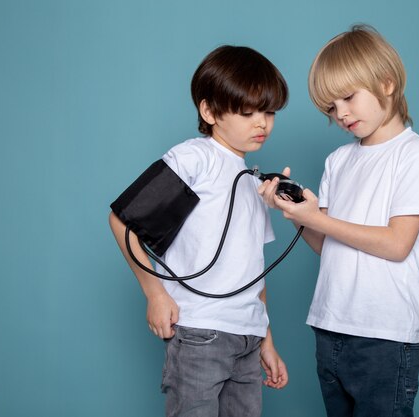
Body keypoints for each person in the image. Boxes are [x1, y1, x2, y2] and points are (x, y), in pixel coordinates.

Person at [259, 25, 419, 417]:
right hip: (331, 325)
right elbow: (328, 246)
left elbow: (397, 244)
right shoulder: (338, 161)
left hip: (385, 335)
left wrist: (319, 219)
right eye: (330, 107)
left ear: (387, 83)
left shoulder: (415, 155)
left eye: (347, 97)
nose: (340, 113)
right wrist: (297, 214)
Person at [109, 45, 290, 417]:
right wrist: (155, 294)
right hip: (199, 331)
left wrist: (265, 340)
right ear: (209, 111)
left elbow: (253, 272)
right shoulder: (196, 158)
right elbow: (123, 221)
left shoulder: (253, 183)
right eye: (248, 112)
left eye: (269, 112)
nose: (262, 123)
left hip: (247, 336)